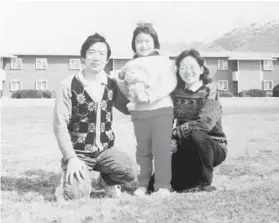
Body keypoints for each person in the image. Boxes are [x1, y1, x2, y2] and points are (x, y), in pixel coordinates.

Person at [53, 33, 137, 200]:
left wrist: (136, 87)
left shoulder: (111, 84)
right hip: (79, 153)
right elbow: (60, 126)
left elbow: (129, 109)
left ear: (107, 60)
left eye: (101, 53)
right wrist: (71, 158)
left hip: (105, 151)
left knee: (132, 171)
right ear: (83, 56)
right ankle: (68, 181)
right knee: (76, 196)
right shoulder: (68, 85)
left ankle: (106, 180)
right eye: (92, 52)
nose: (96, 57)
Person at [116, 23, 177, 196]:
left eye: (147, 41)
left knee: (161, 149)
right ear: (133, 44)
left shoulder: (164, 61)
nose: (143, 45)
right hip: (139, 113)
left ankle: (163, 186)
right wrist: (120, 79)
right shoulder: (129, 64)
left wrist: (150, 96)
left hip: (161, 110)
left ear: (155, 42)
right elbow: (126, 90)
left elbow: (169, 84)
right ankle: (143, 184)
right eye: (139, 41)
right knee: (143, 150)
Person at [170, 49, 227, 192]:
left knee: (197, 134)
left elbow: (205, 124)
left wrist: (174, 133)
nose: (188, 71)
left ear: (201, 69)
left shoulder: (210, 91)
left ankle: (205, 184)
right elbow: (167, 119)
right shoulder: (175, 94)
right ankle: (190, 181)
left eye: (192, 67)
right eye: (183, 67)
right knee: (162, 184)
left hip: (213, 146)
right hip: (185, 147)